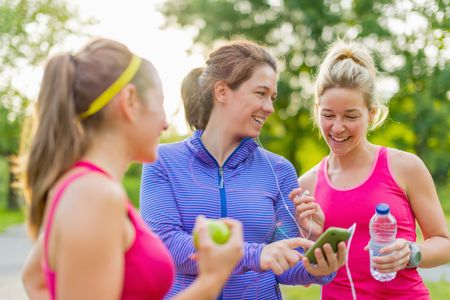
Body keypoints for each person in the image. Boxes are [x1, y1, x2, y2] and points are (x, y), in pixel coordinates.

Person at [20, 38, 244, 300]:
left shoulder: (83, 186)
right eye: (161, 103)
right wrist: (212, 279)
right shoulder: (94, 195)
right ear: (130, 101)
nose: (164, 123)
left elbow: (35, 281)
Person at [140, 40, 346, 300]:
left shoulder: (279, 170)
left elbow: (284, 264)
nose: (270, 108)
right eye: (260, 93)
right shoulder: (163, 161)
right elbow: (166, 245)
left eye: (272, 98)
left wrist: (317, 265)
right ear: (222, 91)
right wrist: (256, 254)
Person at [294, 40, 450, 299]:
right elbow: (303, 273)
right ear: (316, 111)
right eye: (328, 115)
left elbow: (444, 244)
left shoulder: (405, 167)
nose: (338, 127)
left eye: (351, 116)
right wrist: (312, 236)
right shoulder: (306, 184)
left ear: (372, 113)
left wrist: (412, 253)